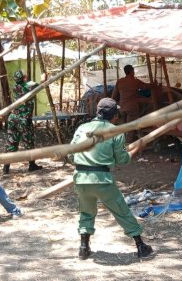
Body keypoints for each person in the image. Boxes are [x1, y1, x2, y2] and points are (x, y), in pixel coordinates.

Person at [68, 97, 153, 260]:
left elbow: (71, 154)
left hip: (80, 178)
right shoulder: (115, 131)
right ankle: (141, 246)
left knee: (86, 211)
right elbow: (122, 160)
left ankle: (84, 248)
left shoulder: (82, 128)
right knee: (121, 210)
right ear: (115, 115)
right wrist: (136, 149)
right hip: (102, 180)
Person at [2, 70, 43, 174]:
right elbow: (42, 84)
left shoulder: (15, 87)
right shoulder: (29, 86)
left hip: (13, 118)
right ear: (24, 77)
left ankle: (6, 166)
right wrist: (43, 77)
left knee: (11, 141)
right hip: (24, 120)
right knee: (28, 142)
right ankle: (32, 165)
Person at [111, 65, 152, 142]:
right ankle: (128, 145)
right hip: (132, 108)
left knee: (123, 127)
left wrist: (116, 105)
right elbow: (146, 86)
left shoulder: (120, 81)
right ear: (131, 71)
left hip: (122, 107)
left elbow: (114, 96)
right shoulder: (135, 81)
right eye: (133, 71)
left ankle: (120, 143)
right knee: (131, 127)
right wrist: (154, 85)